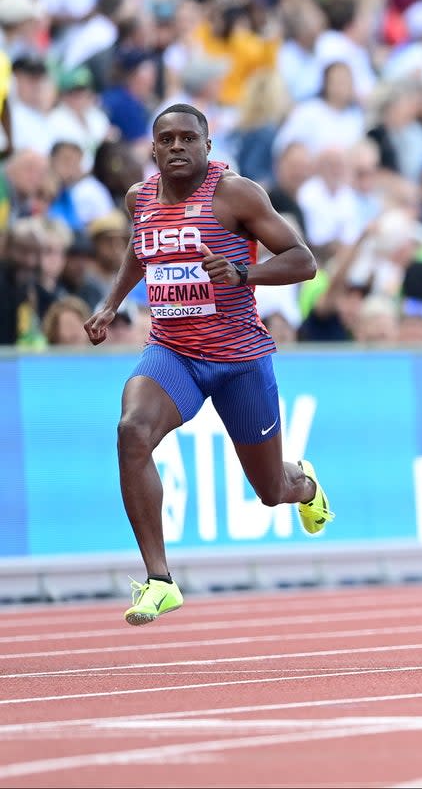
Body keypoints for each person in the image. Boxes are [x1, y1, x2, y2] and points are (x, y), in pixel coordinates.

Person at [84, 104, 335, 626]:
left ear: (207, 146)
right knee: (132, 431)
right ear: (153, 150)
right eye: (166, 139)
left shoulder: (236, 194)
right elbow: (139, 248)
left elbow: (304, 261)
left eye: (187, 138)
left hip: (240, 359)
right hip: (172, 352)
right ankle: (159, 580)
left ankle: (304, 483)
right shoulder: (140, 198)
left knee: (271, 491)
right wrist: (111, 303)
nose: (177, 146)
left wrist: (245, 273)